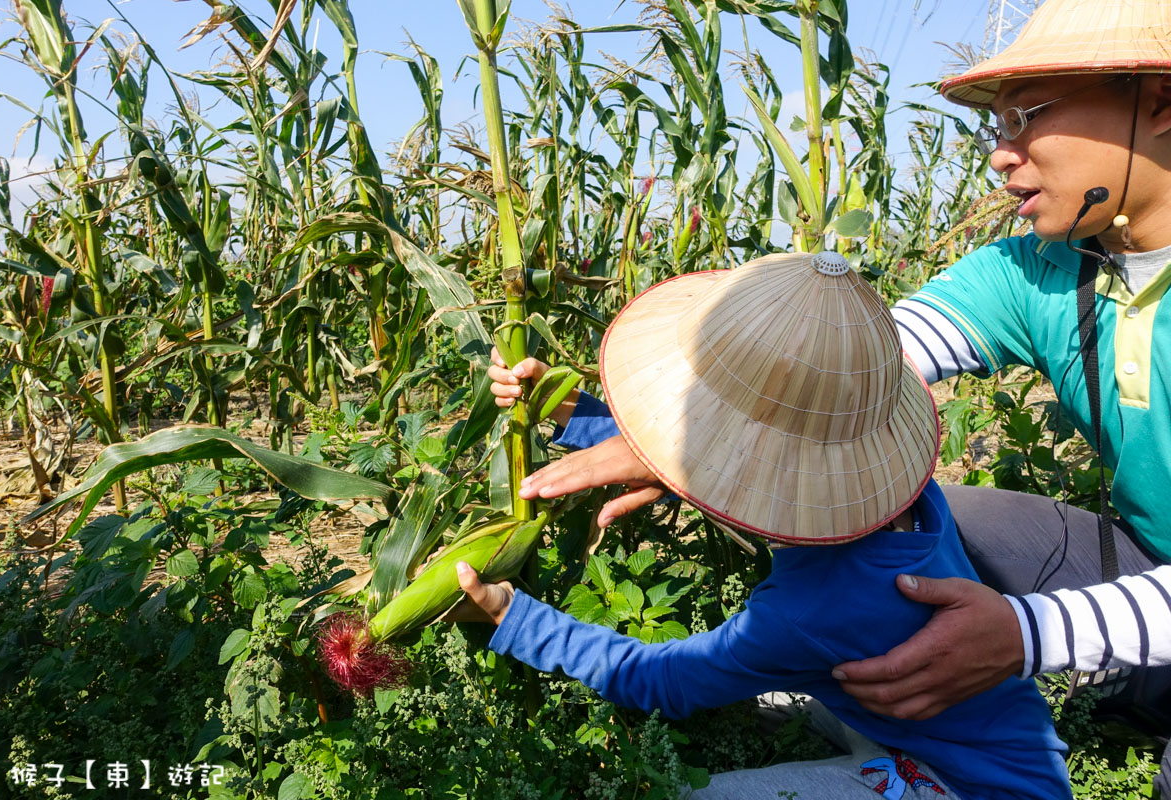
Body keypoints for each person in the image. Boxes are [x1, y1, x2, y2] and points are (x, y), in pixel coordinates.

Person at [492, 0, 1171, 786]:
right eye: (998, 123)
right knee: (931, 529)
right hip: (1149, 561)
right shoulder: (1038, 270)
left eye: (1027, 115)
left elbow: (665, 679)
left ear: (1158, 99)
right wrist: (652, 436)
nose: (1000, 154)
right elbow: (841, 384)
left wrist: (1028, 633)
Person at [464, 250, 1072, 799]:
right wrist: (565, 406)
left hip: (971, 785)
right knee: (776, 691)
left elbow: (660, 681)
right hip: (962, 730)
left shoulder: (808, 611)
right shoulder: (902, 495)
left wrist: (513, 615)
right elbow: (745, 470)